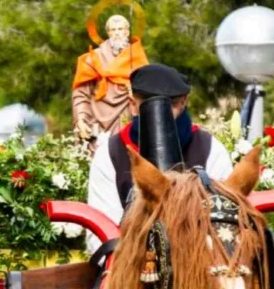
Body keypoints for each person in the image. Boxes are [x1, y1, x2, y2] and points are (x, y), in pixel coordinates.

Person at [86, 63, 233, 252]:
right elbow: (102, 234)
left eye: (171, 104)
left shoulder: (210, 149)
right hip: (131, 259)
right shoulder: (111, 153)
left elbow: (224, 222)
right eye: (148, 103)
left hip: (199, 257)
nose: (162, 114)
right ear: (133, 105)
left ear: (183, 102)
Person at [72, 14, 149, 146]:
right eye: (113, 30)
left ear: (127, 32)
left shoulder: (136, 57)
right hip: (98, 120)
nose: (117, 33)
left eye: (120, 29)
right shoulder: (94, 58)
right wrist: (81, 119)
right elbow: (81, 93)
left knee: (125, 151)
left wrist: (135, 92)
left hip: (126, 117)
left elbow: (147, 91)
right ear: (108, 33)